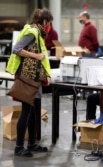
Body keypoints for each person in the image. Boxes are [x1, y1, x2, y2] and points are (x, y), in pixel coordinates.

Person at [6, 8, 52, 157]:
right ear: (44, 21)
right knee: (26, 112)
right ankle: (19, 147)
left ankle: (31, 143)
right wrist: (36, 56)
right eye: (48, 22)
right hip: (28, 78)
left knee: (34, 112)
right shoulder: (32, 32)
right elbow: (16, 49)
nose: (48, 25)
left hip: (36, 78)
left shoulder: (38, 33)